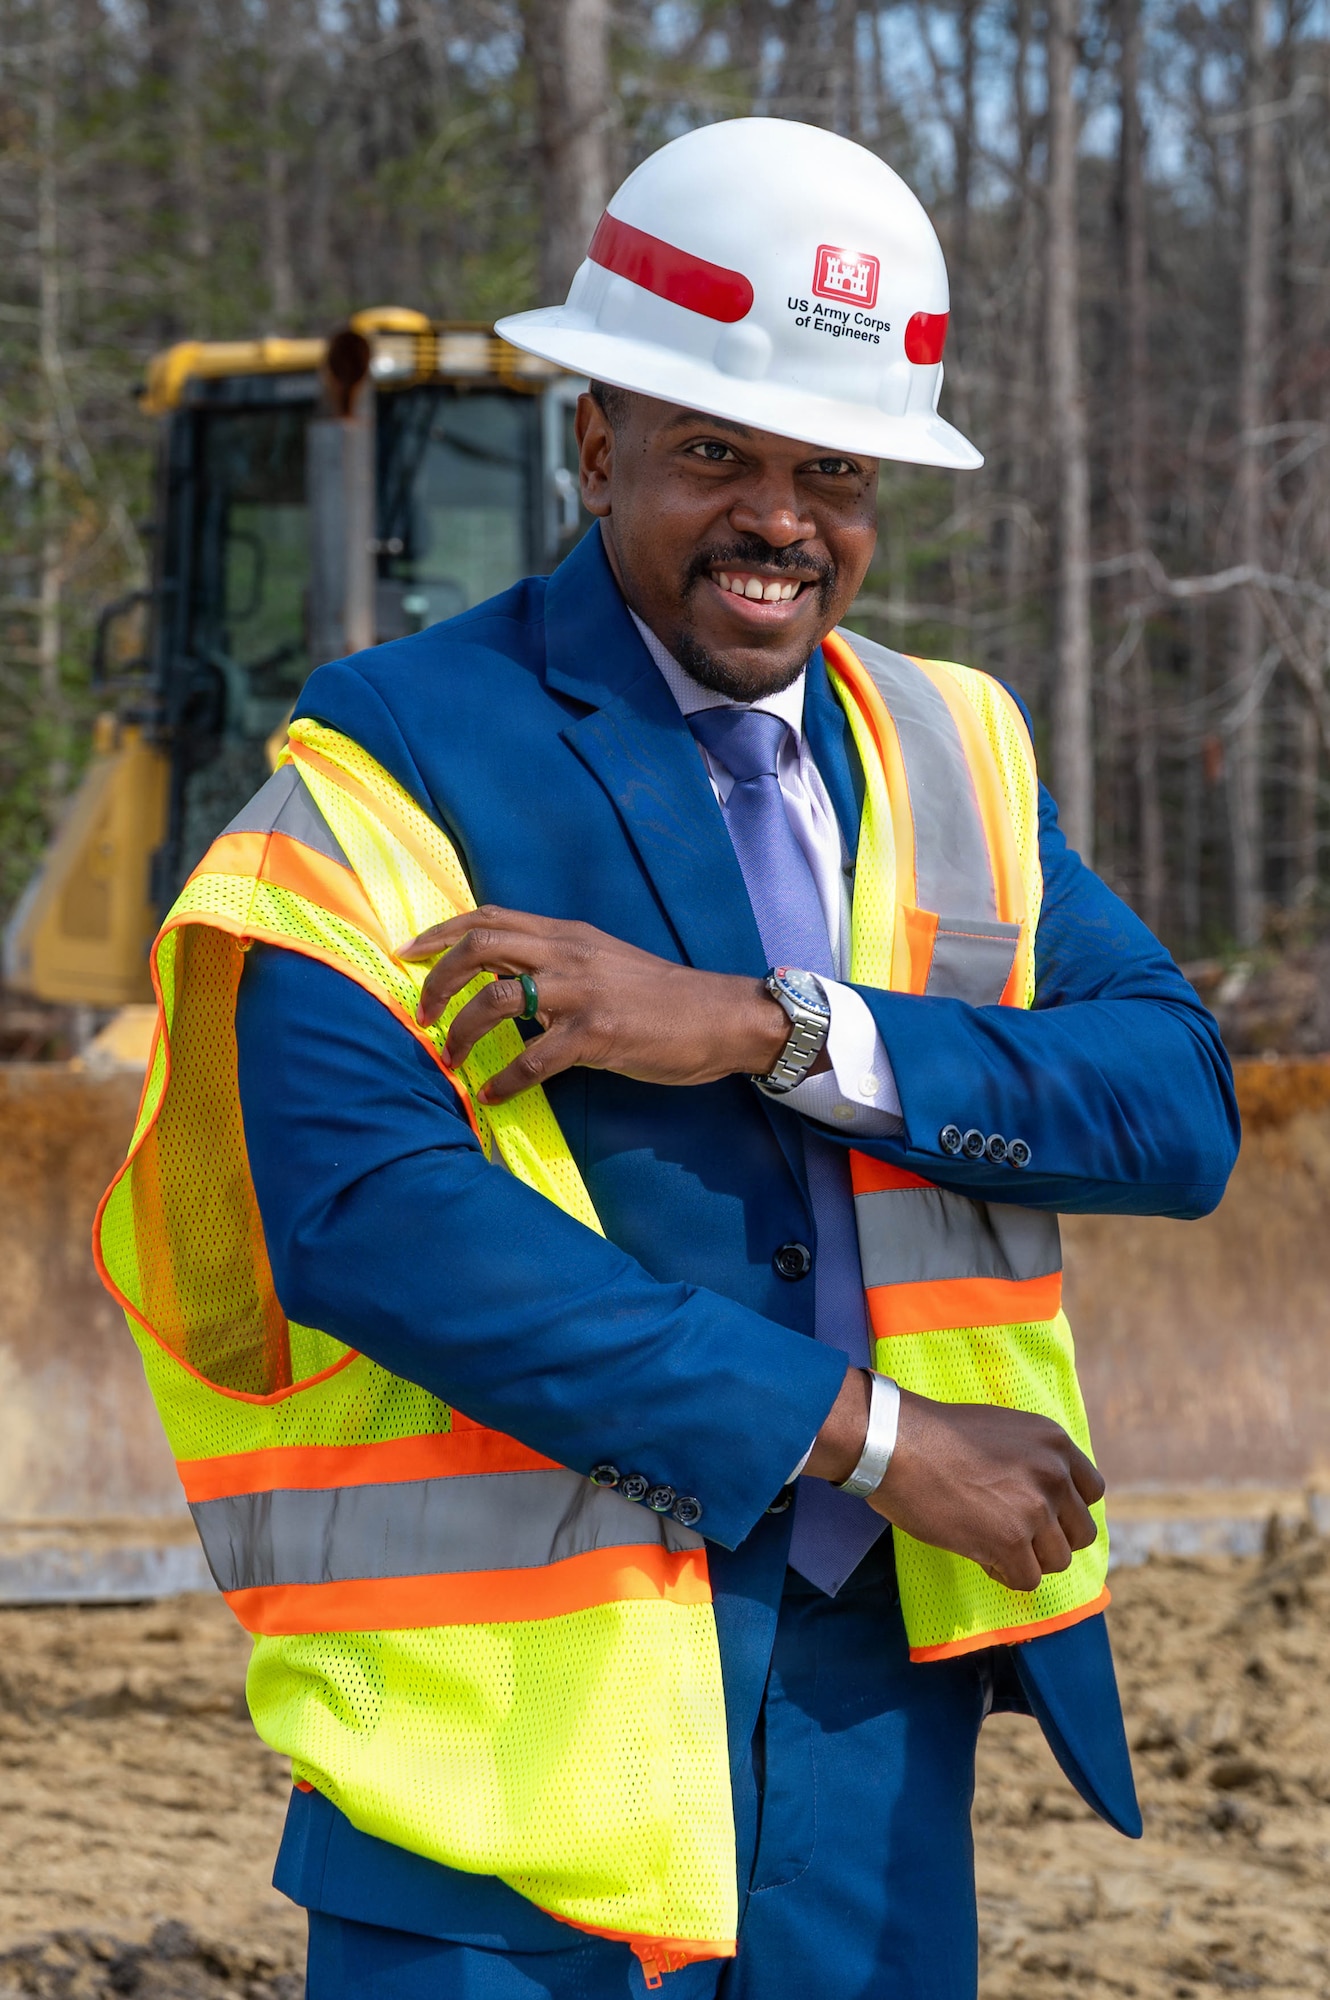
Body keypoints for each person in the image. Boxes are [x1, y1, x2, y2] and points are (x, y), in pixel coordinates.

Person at [96, 118, 1239, 1999]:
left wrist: (765, 1027)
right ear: (599, 441)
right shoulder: (395, 754)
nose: (782, 520)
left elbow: (1173, 1108)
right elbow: (373, 1222)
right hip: (504, 1783)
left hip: (869, 1748)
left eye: (830, 472)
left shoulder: (949, 751)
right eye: (717, 454)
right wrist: (869, 1438)